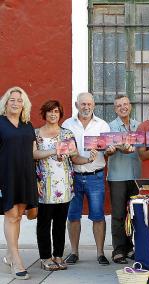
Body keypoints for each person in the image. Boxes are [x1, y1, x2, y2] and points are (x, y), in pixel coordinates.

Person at [33, 100, 96, 271]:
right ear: (44, 114)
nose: (53, 114)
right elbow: (34, 154)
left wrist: (89, 159)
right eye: (50, 111)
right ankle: (45, 257)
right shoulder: (36, 133)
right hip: (45, 185)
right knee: (44, 223)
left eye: (56, 111)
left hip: (65, 185)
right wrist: (54, 151)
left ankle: (58, 256)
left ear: (60, 114)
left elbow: (74, 158)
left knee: (60, 223)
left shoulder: (67, 134)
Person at [62, 92, 111, 266]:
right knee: (73, 216)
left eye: (89, 104)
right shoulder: (67, 124)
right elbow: (64, 148)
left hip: (95, 176)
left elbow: (109, 149)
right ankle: (74, 252)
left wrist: (107, 149)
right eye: (83, 104)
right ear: (76, 105)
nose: (86, 107)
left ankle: (100, 253)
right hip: (73, 176)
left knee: (98, 216)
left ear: (94, 105)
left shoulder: (102, 125)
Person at [0, 87, 38, 280]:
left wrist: (54, 152)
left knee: (18, 216)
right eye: (12, 100)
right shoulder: (0, 123)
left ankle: (8, 254)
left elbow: (34, 153)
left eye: (19, 100)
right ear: (5, 103)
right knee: (11, 214)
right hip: (6, 175)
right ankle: (16, 258)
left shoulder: (27, 125)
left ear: (24, 104)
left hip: (25, 175)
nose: (15, 103)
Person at [106, 95, 140, 264]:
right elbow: (108, 149)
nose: (122, 107)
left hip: (136, 176)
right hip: (118, 176)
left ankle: (131, 247)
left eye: (125, 104)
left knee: (134, 214)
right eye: (119, 105)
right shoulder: (110, 127)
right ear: (115, 109)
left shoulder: (138, 126)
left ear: (130, 106)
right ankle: (118, 249)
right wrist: (119, 147)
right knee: (119, 214)